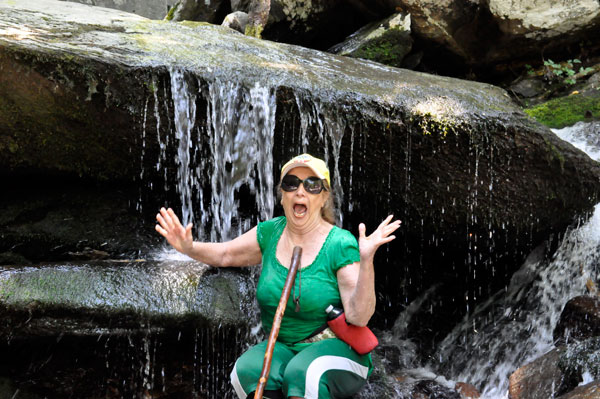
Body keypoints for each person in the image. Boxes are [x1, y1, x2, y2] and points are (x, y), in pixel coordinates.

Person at [155, 153, 401, 399]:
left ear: (324, 197)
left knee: (305, 373)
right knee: (245, 371)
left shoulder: (340, 242)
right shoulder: (270, 232)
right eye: (291, 183)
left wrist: (366, 259)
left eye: (312, 185)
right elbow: (225, 254)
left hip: (339, 350)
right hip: (285, 347)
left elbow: (359, 316)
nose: (300, 191)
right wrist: (188, 248)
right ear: (282, 195)